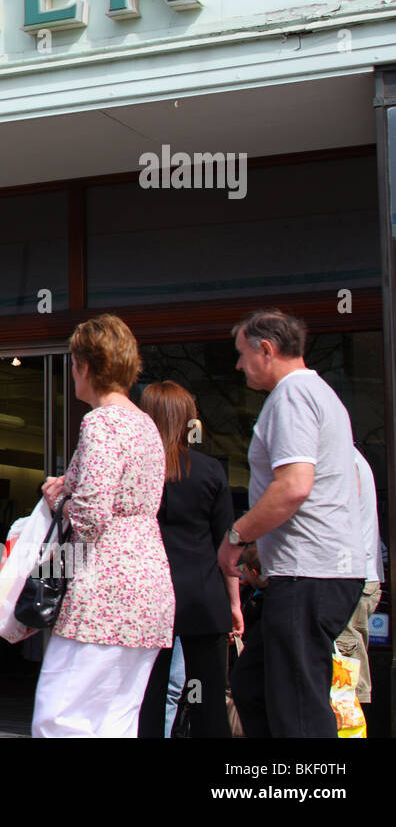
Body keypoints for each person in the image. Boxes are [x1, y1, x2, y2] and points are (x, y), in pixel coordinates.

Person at [220, 309, 367, 737]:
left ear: (266, 349)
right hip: (311, 572)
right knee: (253, 685)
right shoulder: (318, 393)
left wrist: (236, 536)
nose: (238, 365)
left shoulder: (292, 395)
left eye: (242, 354)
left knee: (296, 706)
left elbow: (294, 486)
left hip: (310, 573)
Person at [33, 314, 173, 737]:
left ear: (86, 367)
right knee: (116, 719)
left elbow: (92, 514)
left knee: (60, 716)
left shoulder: (101, 422)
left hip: (104, 588)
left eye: (74, 363)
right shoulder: (145, 423)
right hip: (148, 584)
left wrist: (61, 498)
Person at [137, 381, 240, 737]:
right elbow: (225, 543)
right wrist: (235, 603)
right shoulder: (210, 470)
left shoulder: (137, 469)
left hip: (150, 594)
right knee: (207, 699)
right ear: (187, 420)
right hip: (203, 594)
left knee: (147, 700)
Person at [333, 446, 383, 715]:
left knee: (345, 682)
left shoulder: (344, 461)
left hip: (349, 581)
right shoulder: (350, 459)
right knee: (344, 678)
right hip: (353, 579)